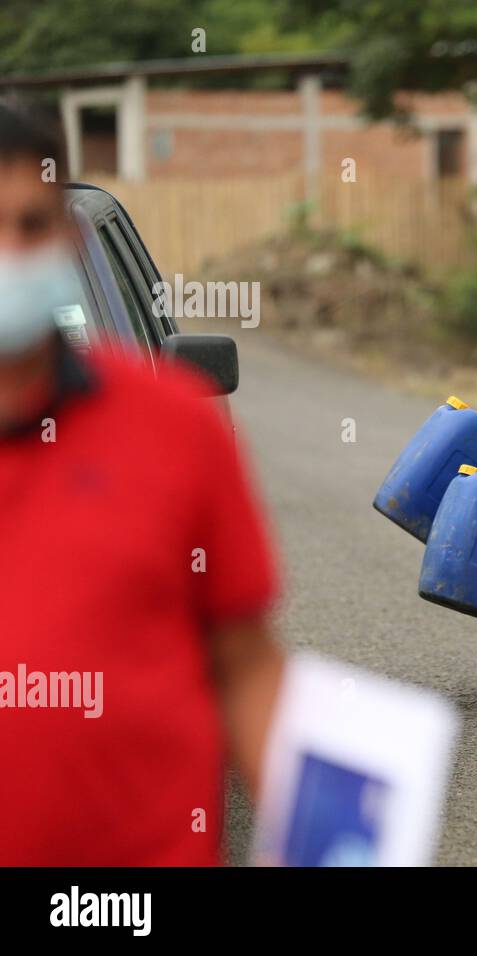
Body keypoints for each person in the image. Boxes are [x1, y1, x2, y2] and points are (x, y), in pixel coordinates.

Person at [0, 102, 284, 864]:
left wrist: (319, 836)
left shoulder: (173, 426)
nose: (8, 254)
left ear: (64, 238)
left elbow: (247, 667)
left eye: (29, 226)